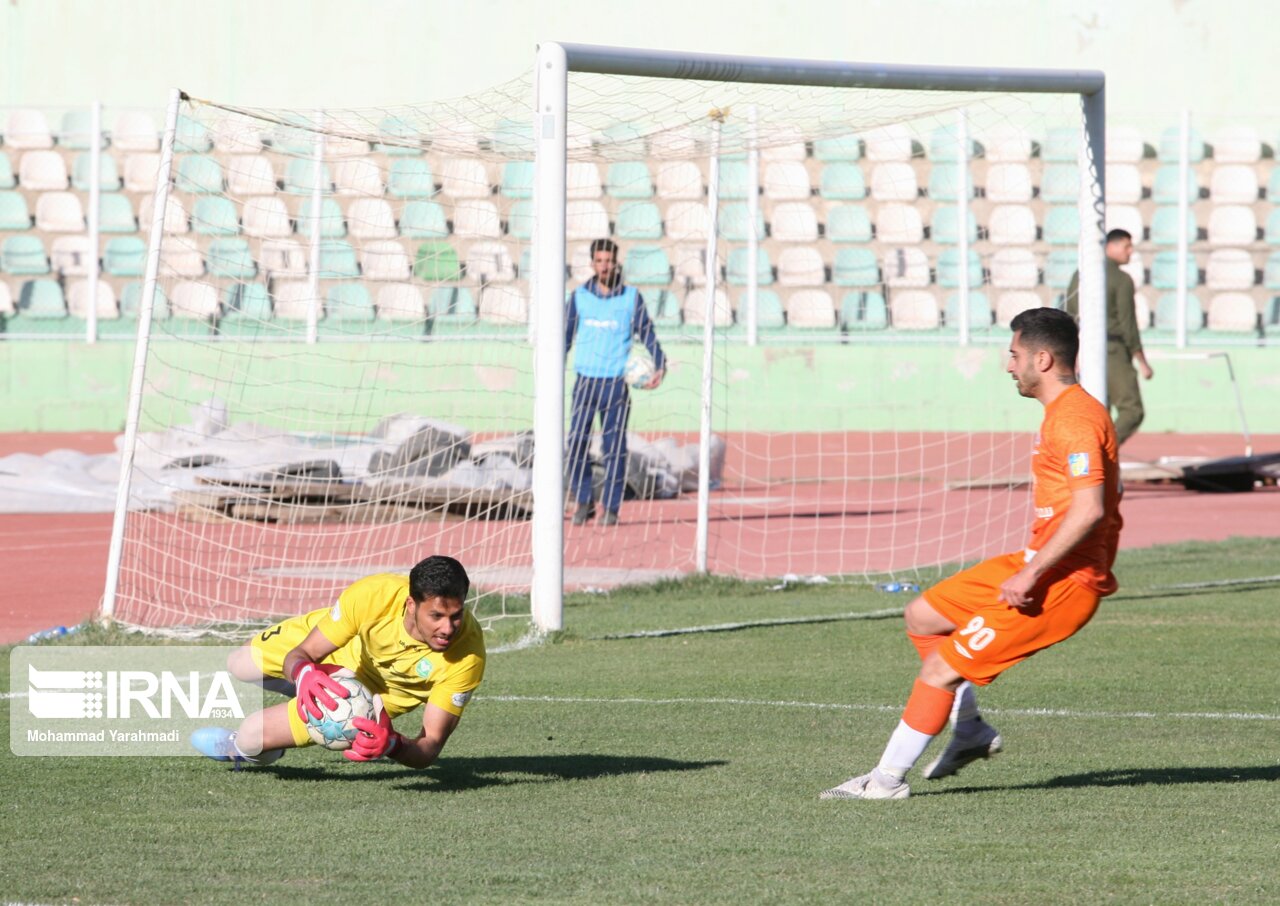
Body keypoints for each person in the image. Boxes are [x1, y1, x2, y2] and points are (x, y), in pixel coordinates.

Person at [821, 308, 1122, 800]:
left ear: (1042, 360)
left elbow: (1089, 510)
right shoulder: (1069, 413)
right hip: (1038, 560)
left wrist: (1033, 573)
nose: (1009, 366)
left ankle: (884, 782)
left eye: (1014, 354)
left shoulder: (1074, 419)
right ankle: (970, 729)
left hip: (1062, 580)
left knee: (940, 670)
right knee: (922, 616)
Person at [192, 555, 485, 768]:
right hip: (338, 648)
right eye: (436, 616)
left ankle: (240, 750)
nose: (448, 628)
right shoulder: (374, 595)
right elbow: (302, 654)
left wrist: (393, 745)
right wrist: (305, 673)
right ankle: (306, 690)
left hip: (370, 697)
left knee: (251, 736)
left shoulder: (466, 657)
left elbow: (429, 747)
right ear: (411, 604)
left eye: (456, 615)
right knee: (240, 663)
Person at [564, 237, 667, 527]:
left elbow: (647, 333)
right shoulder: (579, 296)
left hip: (615, 385)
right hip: (585, 381)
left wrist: (660, 364)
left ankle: (610, 507)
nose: (604, 266)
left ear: (615, 262)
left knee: (614, 448)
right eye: (599, 261)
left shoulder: (631, 297)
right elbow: (566, 336)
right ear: (592, 263)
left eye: (608, 261)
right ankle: (583, 502)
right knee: (576, 444)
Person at [1064, 228, 1154, 447]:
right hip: (1113, 351)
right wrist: (1141, 360)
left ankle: (1092, 457)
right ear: (1110, 246)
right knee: (1131, 409)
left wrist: (1071, 353)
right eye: (1126, 246)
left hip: (1084, 349)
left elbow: (1070, 313)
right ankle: (1102, 450)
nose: (1130, 252)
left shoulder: (1081, 274)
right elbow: (1127, 322)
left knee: (1096, 410)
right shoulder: (1122, 279)